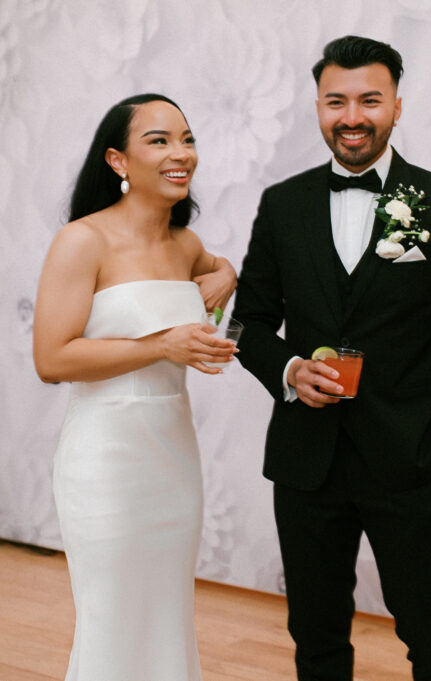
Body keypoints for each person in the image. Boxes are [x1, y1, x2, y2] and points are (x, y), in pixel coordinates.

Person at [232, 36, 431, 681]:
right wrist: (290, 371)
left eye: (369, 100)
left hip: (413, 460)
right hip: (306, 461)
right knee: (315, 631)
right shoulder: (282, 204)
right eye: (336, 101)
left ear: (396, 108)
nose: (353, 116)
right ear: (319, 109)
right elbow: (250, 322)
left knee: (430, 628)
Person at [33, 93, 237, 681]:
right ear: (118, 161)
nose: (181, 153)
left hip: (174, 456)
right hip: (106, 457)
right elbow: (52, 358)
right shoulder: (82, 241)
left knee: (167, 613)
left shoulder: (186, 245)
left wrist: (226, 273)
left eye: (188, 139)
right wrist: (161, 346)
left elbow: (216, 269)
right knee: (112, 618)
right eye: (160, 140)